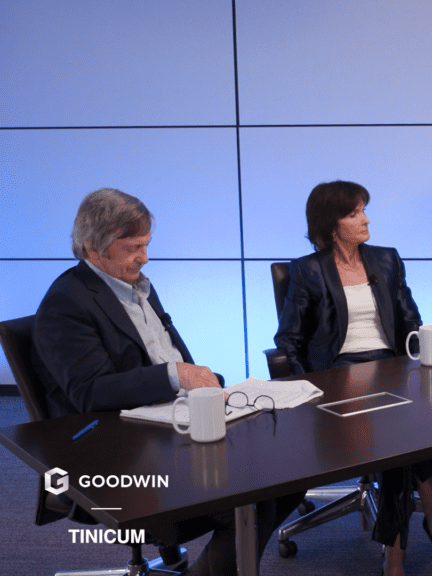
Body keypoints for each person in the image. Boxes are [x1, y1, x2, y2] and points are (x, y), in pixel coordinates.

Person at [31, 188, 303, 576]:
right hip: (121, 450)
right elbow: (91, 393)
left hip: (173, 423)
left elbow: (165, 354)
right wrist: (176, 375)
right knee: (250, 500)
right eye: (132, 248)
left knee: (288, 476)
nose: (144, 257)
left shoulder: (137, 285)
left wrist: (206, 385)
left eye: (146, 245)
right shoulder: (67, 303)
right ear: (93, 248)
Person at [273, 180, 432, 576]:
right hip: (339, 374)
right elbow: (288, 340)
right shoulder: (307, 270)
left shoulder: (386, 259)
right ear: (332, 223)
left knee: (399, 429)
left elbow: (411, 320)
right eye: (354, 212)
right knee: (398, 433)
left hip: (392, 368)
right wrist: (303, 390)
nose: (366, 218)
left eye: (363, 209)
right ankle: (422, 517)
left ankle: (400, 537)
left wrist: (417, 357)